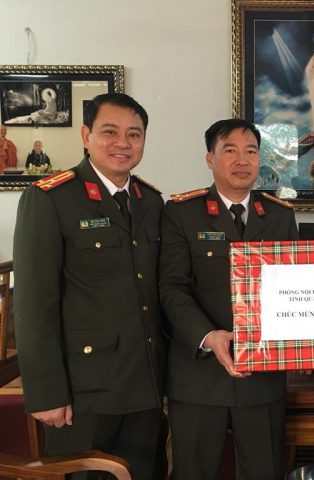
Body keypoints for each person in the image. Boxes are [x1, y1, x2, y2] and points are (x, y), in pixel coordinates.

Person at [13, 93, 166, 479]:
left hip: (145, 384)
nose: (123, 143)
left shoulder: (150, 201)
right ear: (86, 135)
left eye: (134, 134)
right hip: (83, 391)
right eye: (110, 132)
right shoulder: (51, 198)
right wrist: (47, 392)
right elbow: (33, 304)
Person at [159, 118, 299, 479]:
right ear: (210, 159)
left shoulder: (280, 216)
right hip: (198, 376)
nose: (242, 160)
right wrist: (208, 336)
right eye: (230, 150)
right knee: (193, 473)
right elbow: (171, 288)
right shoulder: (181, 212)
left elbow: (294, 290)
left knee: (264, 471)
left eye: (251, 151)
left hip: (262, 376)